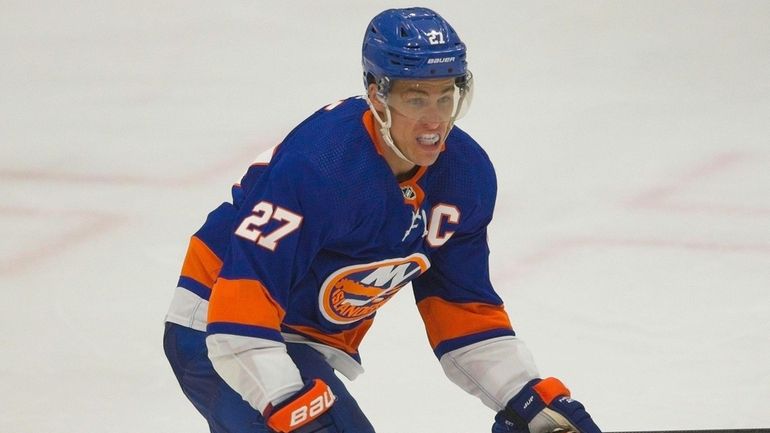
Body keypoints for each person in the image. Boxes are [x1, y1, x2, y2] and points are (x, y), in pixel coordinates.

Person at [163, 7, 602, 433]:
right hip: (215, 328)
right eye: (416, 98)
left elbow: (461, 310)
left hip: (305, 339)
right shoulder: (321, 165)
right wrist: (288, 403)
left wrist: (522, 393)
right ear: (377, 95)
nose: (435, 119)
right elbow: (238, 314)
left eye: (446, 96)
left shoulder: (465, 175)